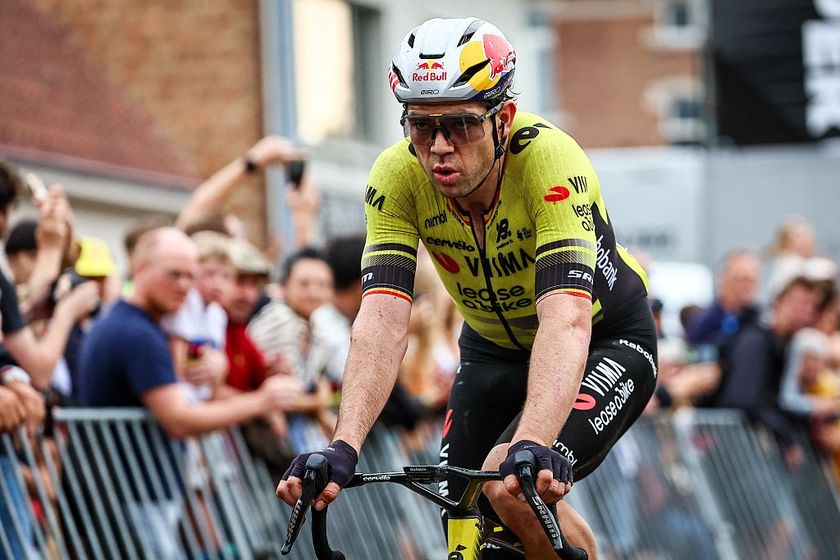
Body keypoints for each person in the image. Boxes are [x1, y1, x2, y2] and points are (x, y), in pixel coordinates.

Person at [277, 17, 657, 559]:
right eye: (420, 126)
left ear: (504, 119)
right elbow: (382, 318)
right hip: (491, 350)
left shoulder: (549, 162)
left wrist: (532, 442)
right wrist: (344, 445)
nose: (439, 147)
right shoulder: (396, 177)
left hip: (603, 338)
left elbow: (566, 317)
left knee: (509, 485)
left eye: (460, 124)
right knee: (460, 516)